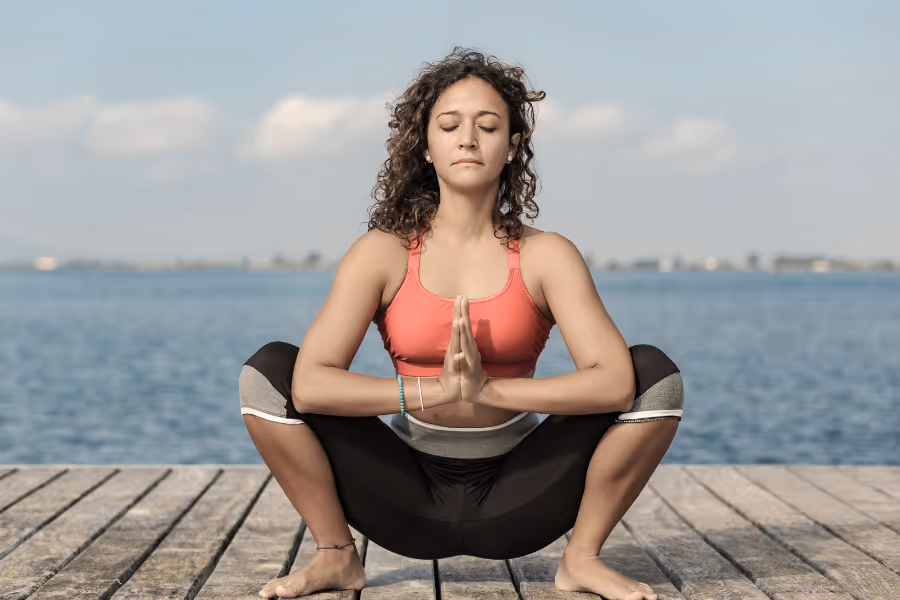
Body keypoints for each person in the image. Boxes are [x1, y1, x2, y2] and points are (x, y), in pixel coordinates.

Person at [239, 48, 683, 600]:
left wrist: (489, 389)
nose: (468, 138)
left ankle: (582, 559)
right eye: (449, 125)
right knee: (270, 372)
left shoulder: (547, 256)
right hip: (401, 497)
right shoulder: (383, 253)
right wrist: (437, 390)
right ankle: (336, 556)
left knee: (653, 374)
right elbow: (309, 384)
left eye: (488, 126)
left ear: (513, 145)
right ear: (425, 146)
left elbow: (616, 382)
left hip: (522, 497)